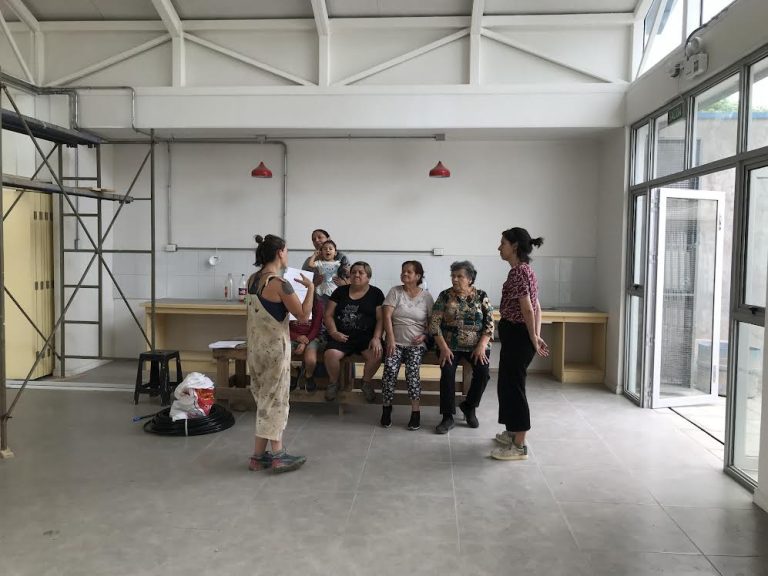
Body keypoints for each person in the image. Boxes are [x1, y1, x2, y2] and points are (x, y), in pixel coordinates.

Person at [246, 234, 314, 473]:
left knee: (264, 400)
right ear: (280, 253)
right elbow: (303, 316)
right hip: (275, 350)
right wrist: (311, 288)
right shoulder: (278, 283)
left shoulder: (253, 279)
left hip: (255, 349)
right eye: (286, 251)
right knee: (276, 401)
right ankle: (277, 455)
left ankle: (257, 457)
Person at [491, 227, 549, 461]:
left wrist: (533, 337)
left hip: (518, 335)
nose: (499, 247)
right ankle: (512, 433)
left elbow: (528, 308)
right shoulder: (525, 271)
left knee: (514, 388)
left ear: (514, 246)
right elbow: (537, 306)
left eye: (503, 243)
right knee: (506, 385)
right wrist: (535, 334)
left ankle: (519, 445)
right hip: (518, 334)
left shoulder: (518, 273)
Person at [429, 261, 494, 434]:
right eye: (453, 276)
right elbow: (434, 324)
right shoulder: (445, 296)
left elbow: (489, 323)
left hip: (476, 346)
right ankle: (447, 416)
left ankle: (469, 406)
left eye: (460, 276)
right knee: (447, 373)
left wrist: (482, 345)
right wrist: (443, 347)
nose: (455, 279)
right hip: (449, 345)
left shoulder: (481, 295)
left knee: (483, 373)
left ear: (470, 279)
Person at [380, 261, 435, 430]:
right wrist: (390, 339)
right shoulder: (395, 292)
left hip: (416, 345)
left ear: (418, 276)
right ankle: (386, 408)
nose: (404, 274)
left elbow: (432, 322)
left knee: (412, 372)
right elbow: (386, 316)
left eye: (409, 272)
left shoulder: (426, 296)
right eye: (403, 271)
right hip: (395, 342)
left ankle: (415, 412)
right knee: (389, 371)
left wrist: (424, 336)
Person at [323, 262, 384, 402]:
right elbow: (328, 314)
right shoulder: (340, 291)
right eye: (353, 272)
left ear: (368, 277)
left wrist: (376, 338)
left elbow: (381, 319)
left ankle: (365, 382)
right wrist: (333, 332)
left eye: (361, 272)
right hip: (342, 336)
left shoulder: (376, 293)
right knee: (331, 354)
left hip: (366, 338)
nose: (356, 275)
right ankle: (333, 383)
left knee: (377, 354)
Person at [289, 296, 325, 392]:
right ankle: (294, 372)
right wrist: (297, 337)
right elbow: (283, 325)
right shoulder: (288, 300)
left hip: (312, 337)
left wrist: (305, 342)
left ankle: (308, 375)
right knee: (281, 355)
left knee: (311, 360)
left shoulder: (317, 304)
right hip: (291, 336)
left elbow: (316, 327)